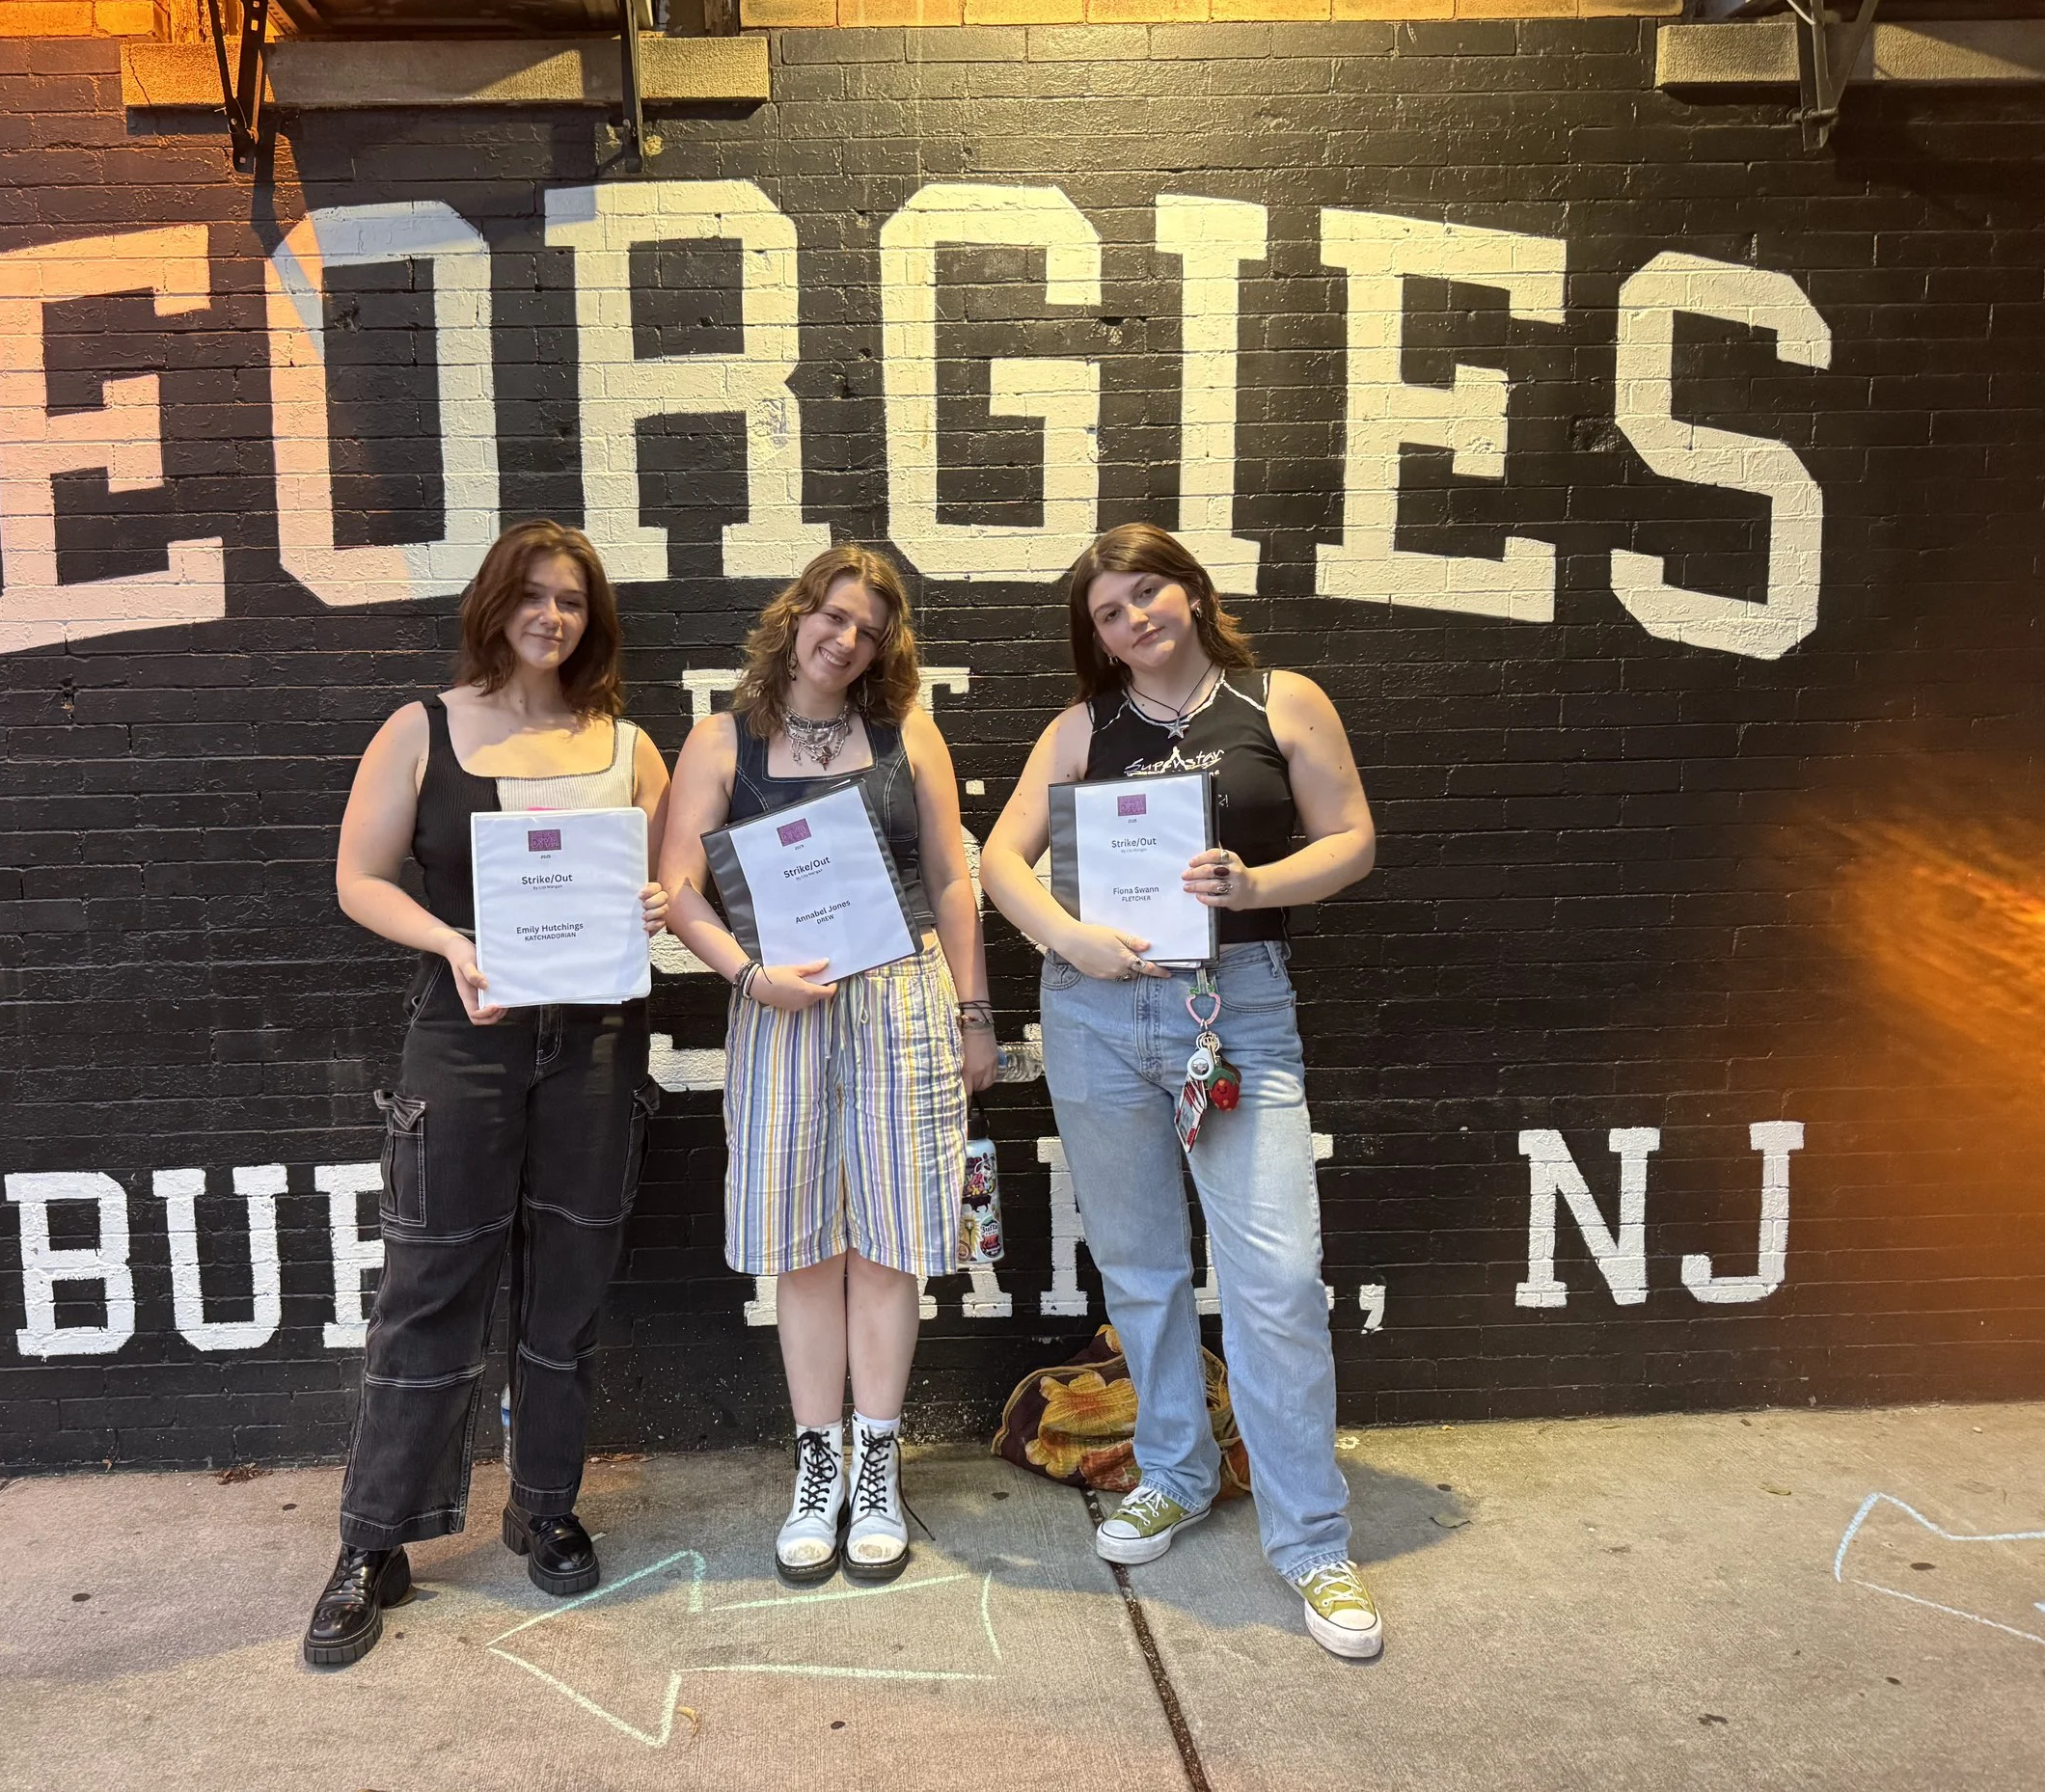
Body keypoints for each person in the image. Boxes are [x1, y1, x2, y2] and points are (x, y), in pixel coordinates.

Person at [978, 523, 1383, 1660]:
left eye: (1145, 593)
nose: (1132, 620)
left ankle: (1311, 1541)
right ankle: (1174, 1471)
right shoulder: (1079, 728)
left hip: (1236, 1003)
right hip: (1097, 1011)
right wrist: (1069, 937)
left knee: (1276, 1279)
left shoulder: (1278, 703)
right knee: (1142, 1265)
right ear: (1094, 637)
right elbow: (1000, 860)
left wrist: (1255, 881)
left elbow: (1349, 840)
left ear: (1191, 592)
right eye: (1108, 612)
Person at [304, 520, 670, 1668]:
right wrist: (453, 944)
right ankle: (374, 1539)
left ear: (589, 619)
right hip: (463, 1038)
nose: (550, 617)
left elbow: (674, 883)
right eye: (532, 596)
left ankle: (544, 1505)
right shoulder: (422, 730)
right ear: (495, 602)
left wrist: (664, 903)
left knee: (565, 1291)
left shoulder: (626, 744)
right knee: (430, 1284)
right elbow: (358, 879)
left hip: (596, 1041)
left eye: (570, 601)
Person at [661, 544, 997, 1586]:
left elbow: (950, 878)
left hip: (901, 992)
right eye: (831, 615)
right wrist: (750, 976)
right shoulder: (721, 739)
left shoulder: (910, 736)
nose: (842, 639)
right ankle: (819, 1465)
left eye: (866, 628)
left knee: (892, 1236)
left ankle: (879, 1462)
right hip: (780, 1008)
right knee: (802, 1242)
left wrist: (972, 1009)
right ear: (795, 615)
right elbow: (676, 888)